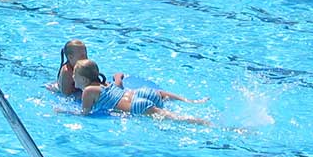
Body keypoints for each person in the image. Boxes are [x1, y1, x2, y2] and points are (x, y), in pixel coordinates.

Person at [73, 60, 210, 123]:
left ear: (84, 80)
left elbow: (85, 114)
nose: (73, 77)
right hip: (142, 93)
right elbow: (119, 85)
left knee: (175, 117)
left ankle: (208, 124)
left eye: (75, 75)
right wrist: (118, 77)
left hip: (135, 106)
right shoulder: (105, 84)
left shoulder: (88, 91)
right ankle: (191, 102)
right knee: (162, 94)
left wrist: (65, 112)